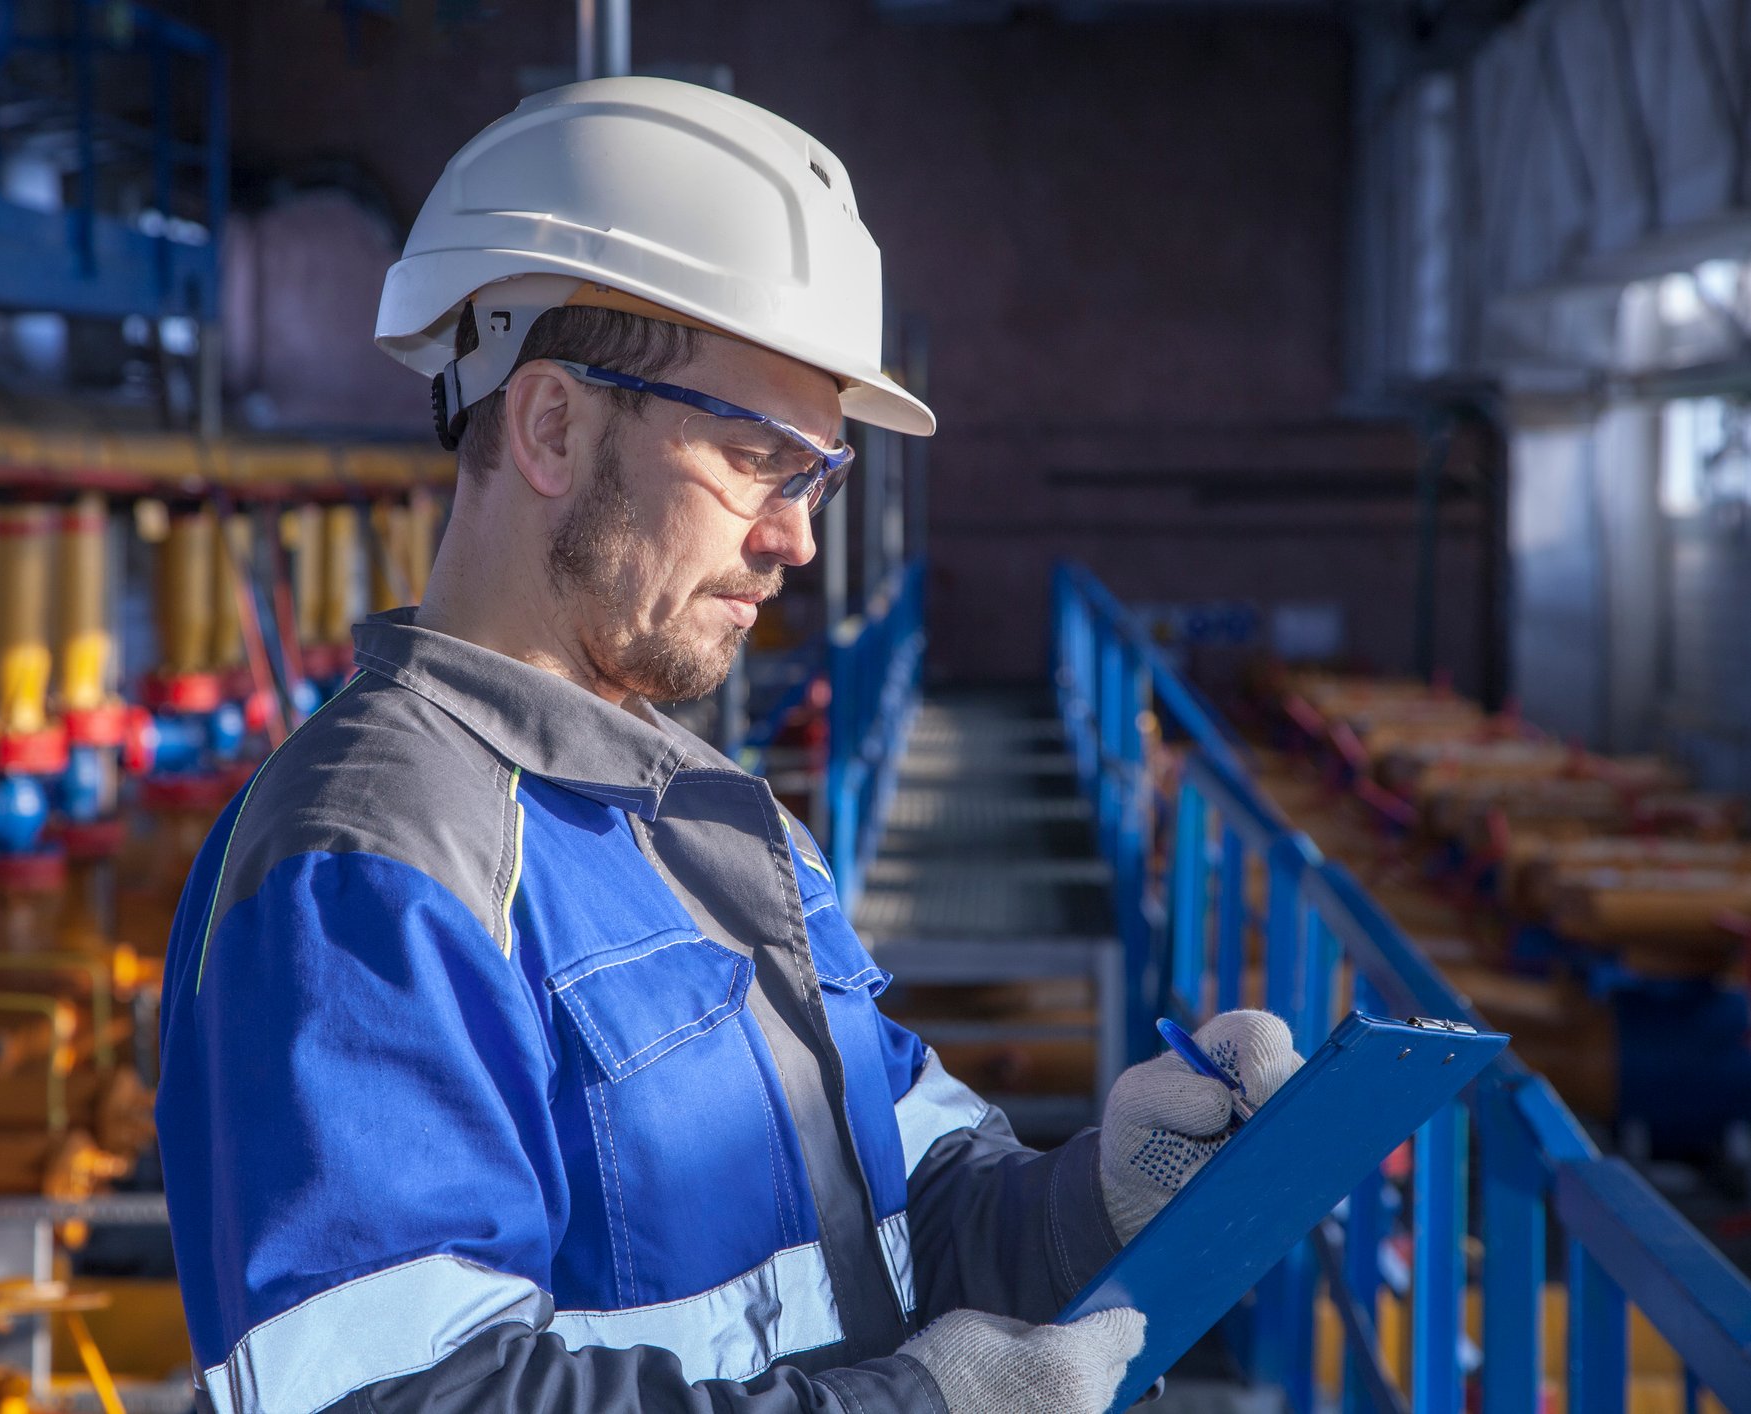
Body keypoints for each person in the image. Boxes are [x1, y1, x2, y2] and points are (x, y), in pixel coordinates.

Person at [156, 77, 1302, 1414]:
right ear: (549, 427)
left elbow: (907, 1210)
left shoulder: (710, 822)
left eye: (815, 475)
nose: (797, 537)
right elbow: (403, 1397)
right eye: (759, 457)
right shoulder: (375, 866)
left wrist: (1103, 1190)